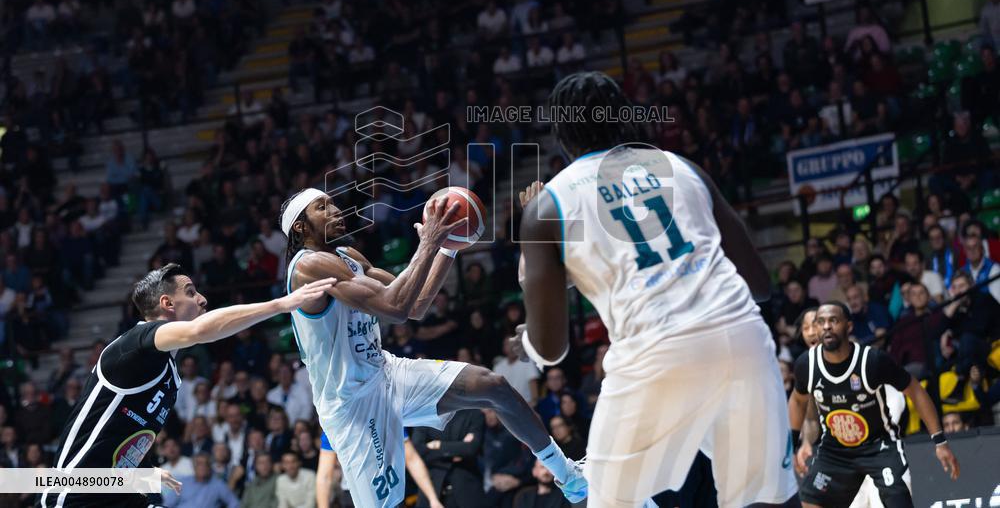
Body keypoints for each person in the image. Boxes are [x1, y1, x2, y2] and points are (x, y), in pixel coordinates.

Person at [515, 72, 798, 508]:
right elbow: (760, 285)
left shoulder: (548, 205)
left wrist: (528, 341)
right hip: (740, 336)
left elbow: (551, 350)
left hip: (653, 355)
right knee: (765, 500)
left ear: (561, 135)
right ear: (624, 117)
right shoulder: (682, 168)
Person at [281, 190, 586, 508]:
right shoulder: (308, 267)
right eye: (322, 207)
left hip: (385, 372)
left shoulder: (349, 256)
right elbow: (395, 307)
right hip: (351, 404)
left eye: (333, 203)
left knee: (492, 385)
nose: (335, 210)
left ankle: (568, 475)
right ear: (301, 227)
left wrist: (447, 248)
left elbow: (416, 305)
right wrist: (428, 243)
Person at [41, 263, 336, 507]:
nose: (203, 299)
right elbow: (199, 331)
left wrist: (142, 472)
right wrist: (280, 304)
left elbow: (126, 432)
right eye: (191, 292)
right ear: (167, 303)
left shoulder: (170, 374)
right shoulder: (134, 344)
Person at [789, 303, 960, 508]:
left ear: (849, 326)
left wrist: (940, 441)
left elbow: (915, 390)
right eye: (821, 322)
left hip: (878, 446)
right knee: (810, 503)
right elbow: (798, 401)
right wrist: (792, 445)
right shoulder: (806, 364)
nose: (826, 326)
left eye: (833, 320)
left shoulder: (872, 360)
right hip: (835, 450)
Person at [316, 432, 443, 508]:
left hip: (390, 493)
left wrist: (433, 499)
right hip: (354, 497)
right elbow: (324, 477)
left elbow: (411, 459)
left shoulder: (388, 414)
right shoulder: (336, 424)